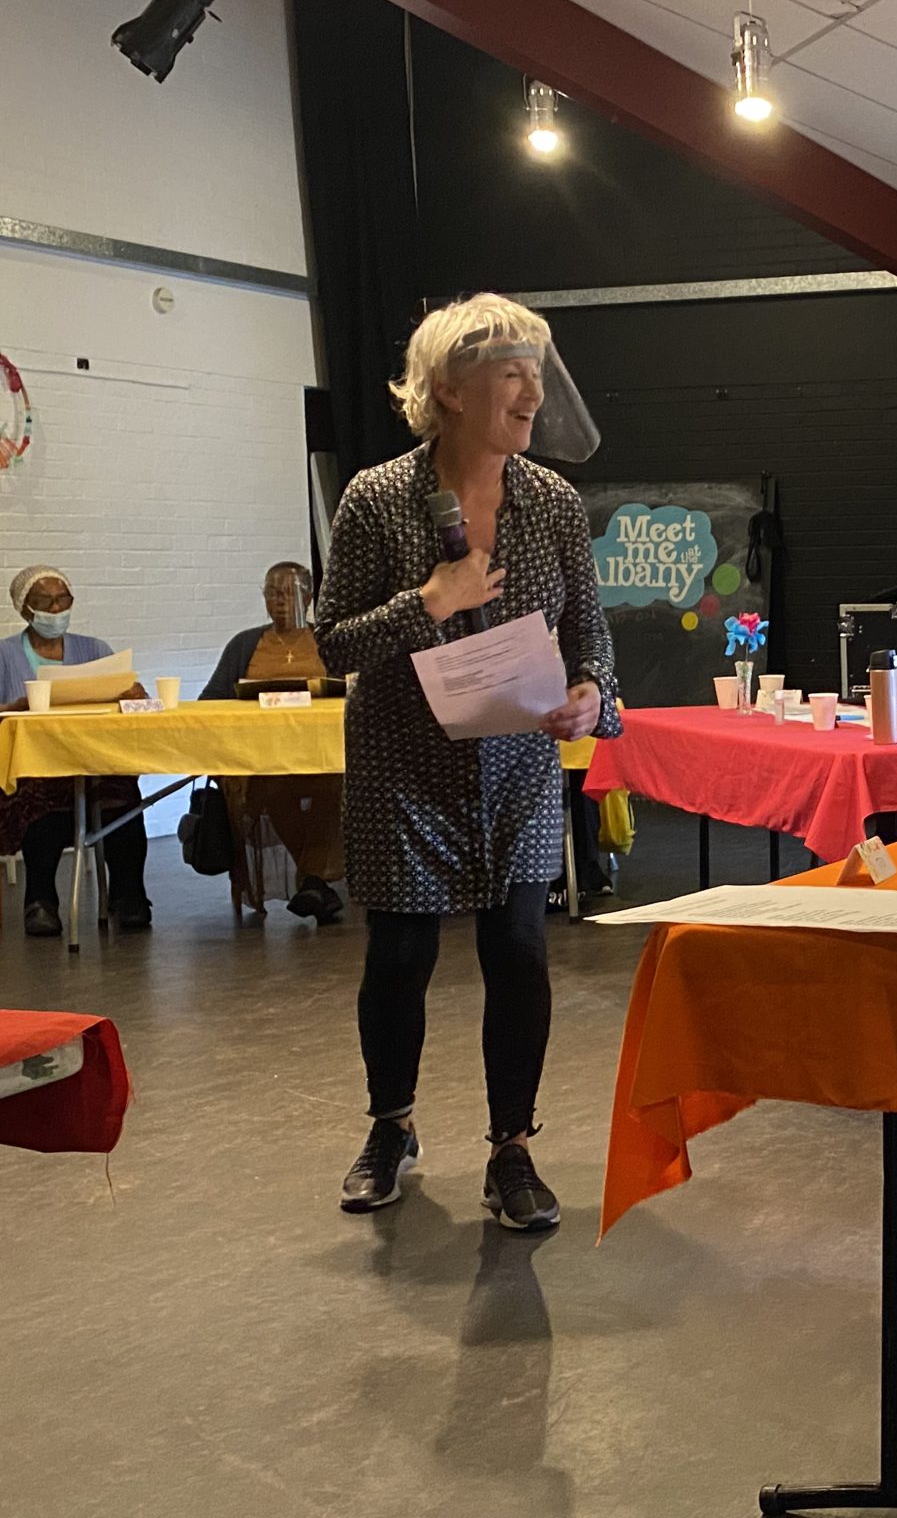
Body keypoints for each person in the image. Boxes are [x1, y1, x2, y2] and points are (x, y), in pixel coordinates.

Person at [315, 292, 620, 1229]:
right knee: (399, 958)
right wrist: (431, 603)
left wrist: (590, 698)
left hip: (519, 771)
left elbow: (593, 640)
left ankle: (512, 1151)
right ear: (448, 389)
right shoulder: (376, 496)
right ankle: (390, 1125)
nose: (533, 389)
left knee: (520, 953)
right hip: (403, 767)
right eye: (512, 371)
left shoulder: (554, 501)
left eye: (538, 370)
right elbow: (333, 645)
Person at [0, 566, 153, 935]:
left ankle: (128, 895)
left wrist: (135, 695)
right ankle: (40, 901)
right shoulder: (5, 655)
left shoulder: (95, 650)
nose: (56, 610)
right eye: (45, 602)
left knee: (123, 795)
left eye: (63, 600)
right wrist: (16, 708)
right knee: (42, 795)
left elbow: (132, 707)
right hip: (31, 766)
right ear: (25, 609)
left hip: (94, 760)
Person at [199, 562, 346, 922]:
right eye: (272, 592)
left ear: (309, 597)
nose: (279, 600)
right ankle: (313, 882)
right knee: (272, 788)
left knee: (339, 786)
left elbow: (354, 689)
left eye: (288, 592)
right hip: (262, 759)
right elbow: (210, 701)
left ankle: (312, 880)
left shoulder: (329, 641)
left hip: (323, 755)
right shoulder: (245, 645)